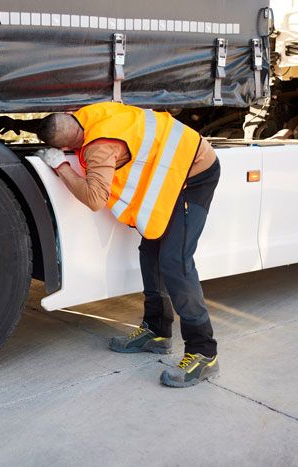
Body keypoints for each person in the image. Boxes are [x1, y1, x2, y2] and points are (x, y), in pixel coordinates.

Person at [19, 102, 220, 387]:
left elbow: (94, 198)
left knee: (176, 263)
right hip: (174, 170)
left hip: (195, 173)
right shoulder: (90, 113)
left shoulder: (99, 148)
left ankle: (204, 353)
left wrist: (61, 166)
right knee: (150, 253)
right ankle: (157, 332)